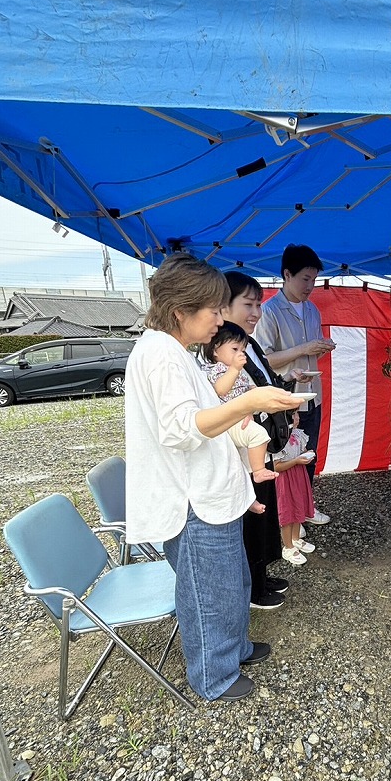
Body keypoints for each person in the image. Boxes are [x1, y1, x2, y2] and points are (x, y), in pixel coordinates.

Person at [124, 253, 301, 702]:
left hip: (209, 492)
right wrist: (249, 402)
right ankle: (213, 676)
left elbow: (202, 410)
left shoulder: (172, 351)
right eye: (215, 311)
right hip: (193, 500)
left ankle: (233, 649)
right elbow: (181, 430)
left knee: (231, 582)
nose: (221, 320)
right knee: (209, 594)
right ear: (181, 311)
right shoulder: (162, 355)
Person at [221, 270, 303, 609]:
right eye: (248, 304)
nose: (256, 312)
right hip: (241, 444)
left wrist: (287, 402)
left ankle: (262, 573)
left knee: (264, 509)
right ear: (223, 306)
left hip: (264, 439)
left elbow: (266, 380)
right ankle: (252, 588)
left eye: (259, 304)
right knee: (251, 514)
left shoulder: (249, 342)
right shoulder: (221, 348)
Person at [255, 243, 335, 523]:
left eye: (314, 280)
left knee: (309, 454)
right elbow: (264, 360)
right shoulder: (269, 312)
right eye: (305, 279)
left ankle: (305, 509)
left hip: (314, 395)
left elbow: (310, 349)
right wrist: (305, 348)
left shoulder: (312, 310)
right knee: (286, 459)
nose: (310, 286)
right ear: (287, 274)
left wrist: (321, 347)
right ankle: (286, 518)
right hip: (286, 399)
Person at [201, 321, 276, 491]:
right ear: (215, 350)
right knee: (259, 436)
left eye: (242, 350)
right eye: (234, 349)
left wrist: (251, 389)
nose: (240, 354)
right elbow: (220, 390)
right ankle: (259, 470)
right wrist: (234, 369)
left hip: (239, 418)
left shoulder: (235, 370)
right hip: (229, 420)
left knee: (241, 460)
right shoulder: (217, 369)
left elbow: (242, 389)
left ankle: (249, 490)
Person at [273, 409, 317, 565]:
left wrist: (307, 454)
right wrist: (296, 461)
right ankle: (288, 546)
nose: (296, 418)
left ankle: (296, 538)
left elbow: (302, 450)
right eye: (292, 415)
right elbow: (276, 466)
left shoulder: (298, 434)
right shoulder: (278, 438)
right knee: (287, 512)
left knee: (299, 506)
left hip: (299, 475)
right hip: (285, 479)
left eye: (297, 414)